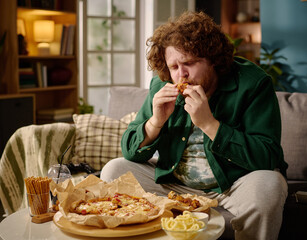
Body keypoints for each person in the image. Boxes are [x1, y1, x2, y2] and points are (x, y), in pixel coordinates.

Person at [101, 11, 288, 240]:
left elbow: (267, 156)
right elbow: (129, 149)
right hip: (174, 184)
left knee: (270, 184)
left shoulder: (253, 83)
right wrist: (155, 122)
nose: (181, 75)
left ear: (213, 60)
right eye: (174, 67)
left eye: (189, 63)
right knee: (114, 170)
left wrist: (210, 124)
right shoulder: (161, 85)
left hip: (234, 185)